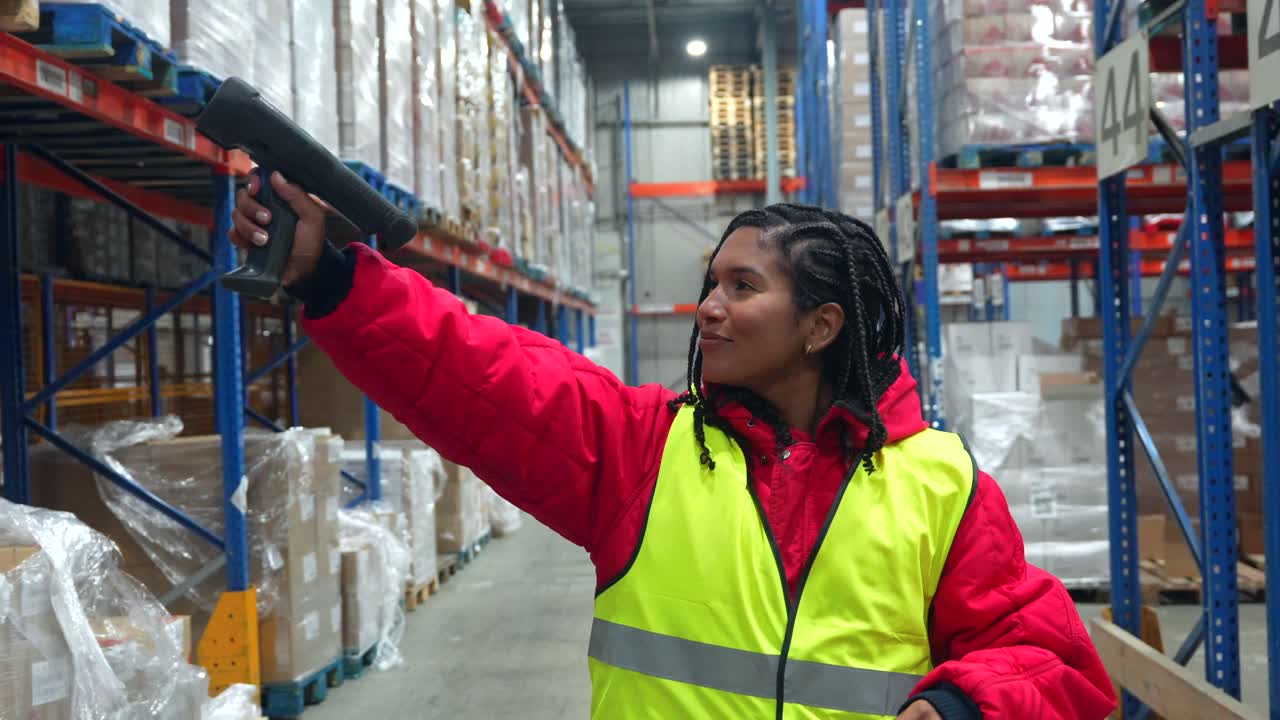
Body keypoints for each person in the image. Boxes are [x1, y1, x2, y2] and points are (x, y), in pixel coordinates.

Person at [231, 171, 1117, 720]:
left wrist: (961, 706)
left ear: (821, 325)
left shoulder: (941, 482)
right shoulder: (644, 450)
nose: (709, 307)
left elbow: (1046, 657)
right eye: (709, 283)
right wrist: (337, 278)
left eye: (742, 285)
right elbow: (487, 374)